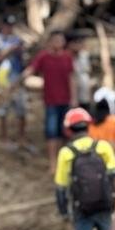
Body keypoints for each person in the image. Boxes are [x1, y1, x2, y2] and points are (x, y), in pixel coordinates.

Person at [55, 107, 115, 230]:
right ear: (88, 125)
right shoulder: (103, 147)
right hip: (104, 206)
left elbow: (61, 187)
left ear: (69, 129)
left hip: (80, 208)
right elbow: (114, 176)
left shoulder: (66, 153)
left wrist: (63, 212)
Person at [19, 31, 77, 172]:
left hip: (65, 99)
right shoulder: (44, 57)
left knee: (65, 132)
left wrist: (74, 98)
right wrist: (23, 76)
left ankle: (65, 161)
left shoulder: (67, 57)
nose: (58, 43)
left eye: (60, 40)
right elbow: (32, 68)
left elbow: (71, 78)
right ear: (50, 42)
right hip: (51, 100)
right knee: (51, 131)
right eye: (55, 40)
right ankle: (53, 163)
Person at [0, 16, 28, 148]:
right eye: (7, 25)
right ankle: (4, 138)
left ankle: (21, 139)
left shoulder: (18, 39)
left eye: (12, 25)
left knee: (21, 110)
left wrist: (19, 50)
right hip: (3, 79)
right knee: (3, 110)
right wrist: (8, 51)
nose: (9, 28)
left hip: (17, 78)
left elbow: (24, 59)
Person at [71, 31, 95, 105]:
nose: (80, 45)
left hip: (84, 84)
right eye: (77, 43)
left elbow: (89, 71)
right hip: (73, 88)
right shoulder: (68, 57)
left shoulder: (84, 55)